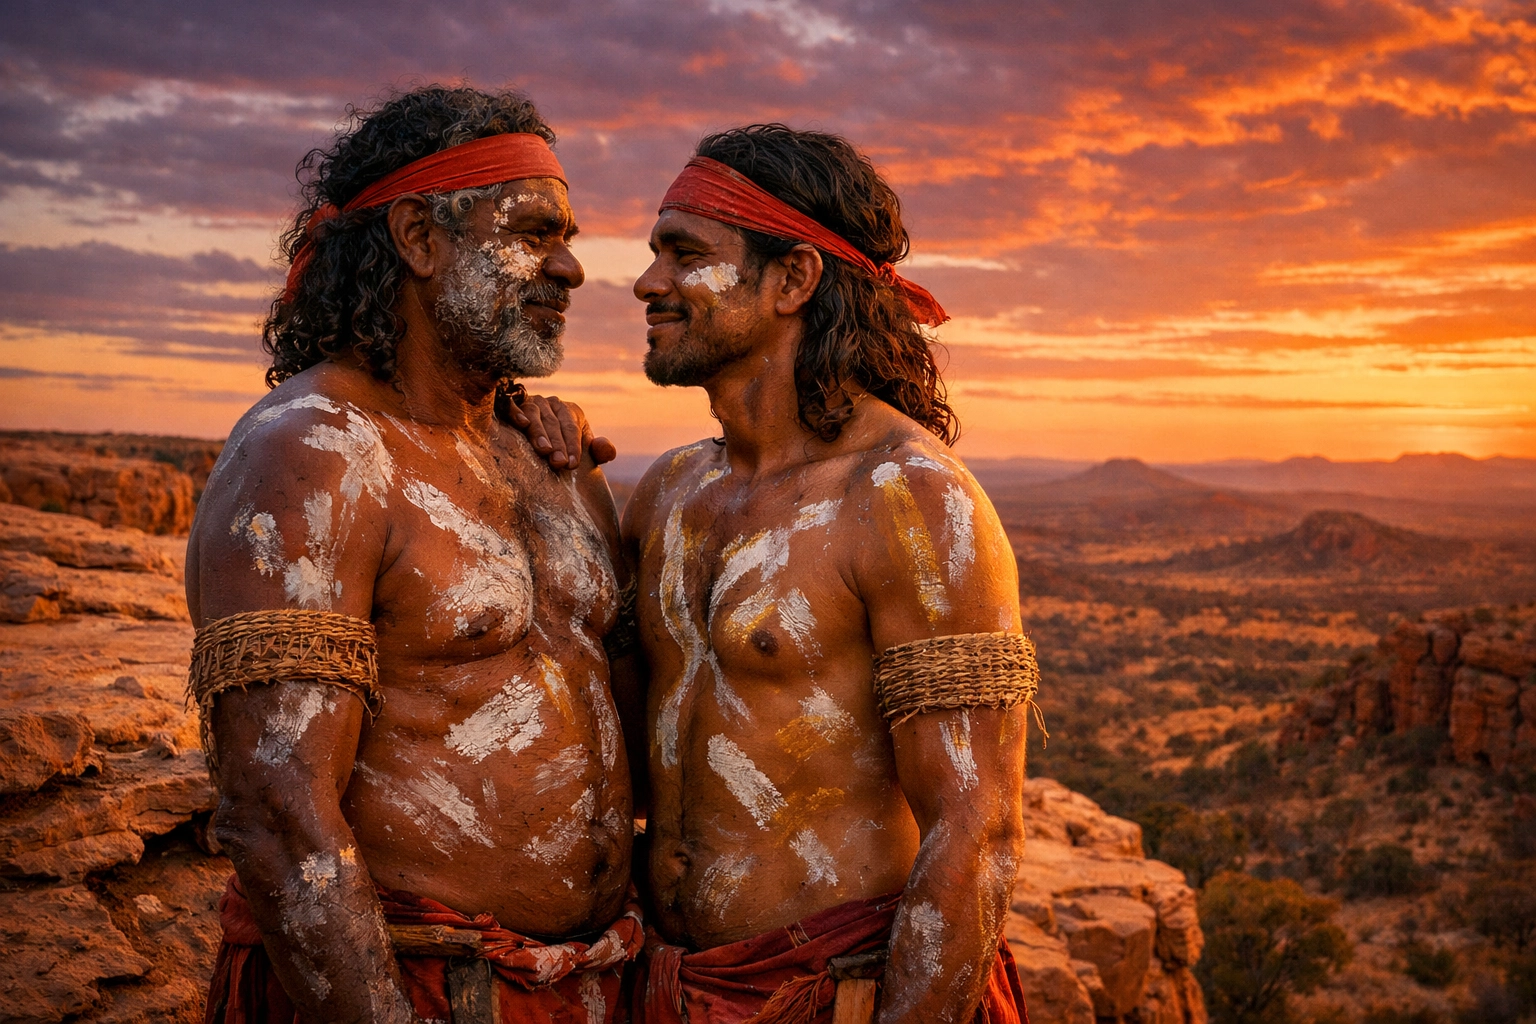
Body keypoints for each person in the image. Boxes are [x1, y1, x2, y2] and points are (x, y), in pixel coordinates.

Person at [186, 85, 645, 1024]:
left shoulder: (550, 458)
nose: (570, 269)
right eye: (533, 233)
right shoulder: (314, 452)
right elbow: (275, 813)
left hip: (589, 984)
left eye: (568, 238)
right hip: (414, 987)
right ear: (419, 238)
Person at [619, 125, 1037, 1023]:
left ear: (793, 279)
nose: (647, 282)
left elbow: (978, 828)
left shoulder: (911, 499)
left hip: (834, 993)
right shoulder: (668, 492)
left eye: (685, 254)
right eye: (656, 253)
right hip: (666, 987)